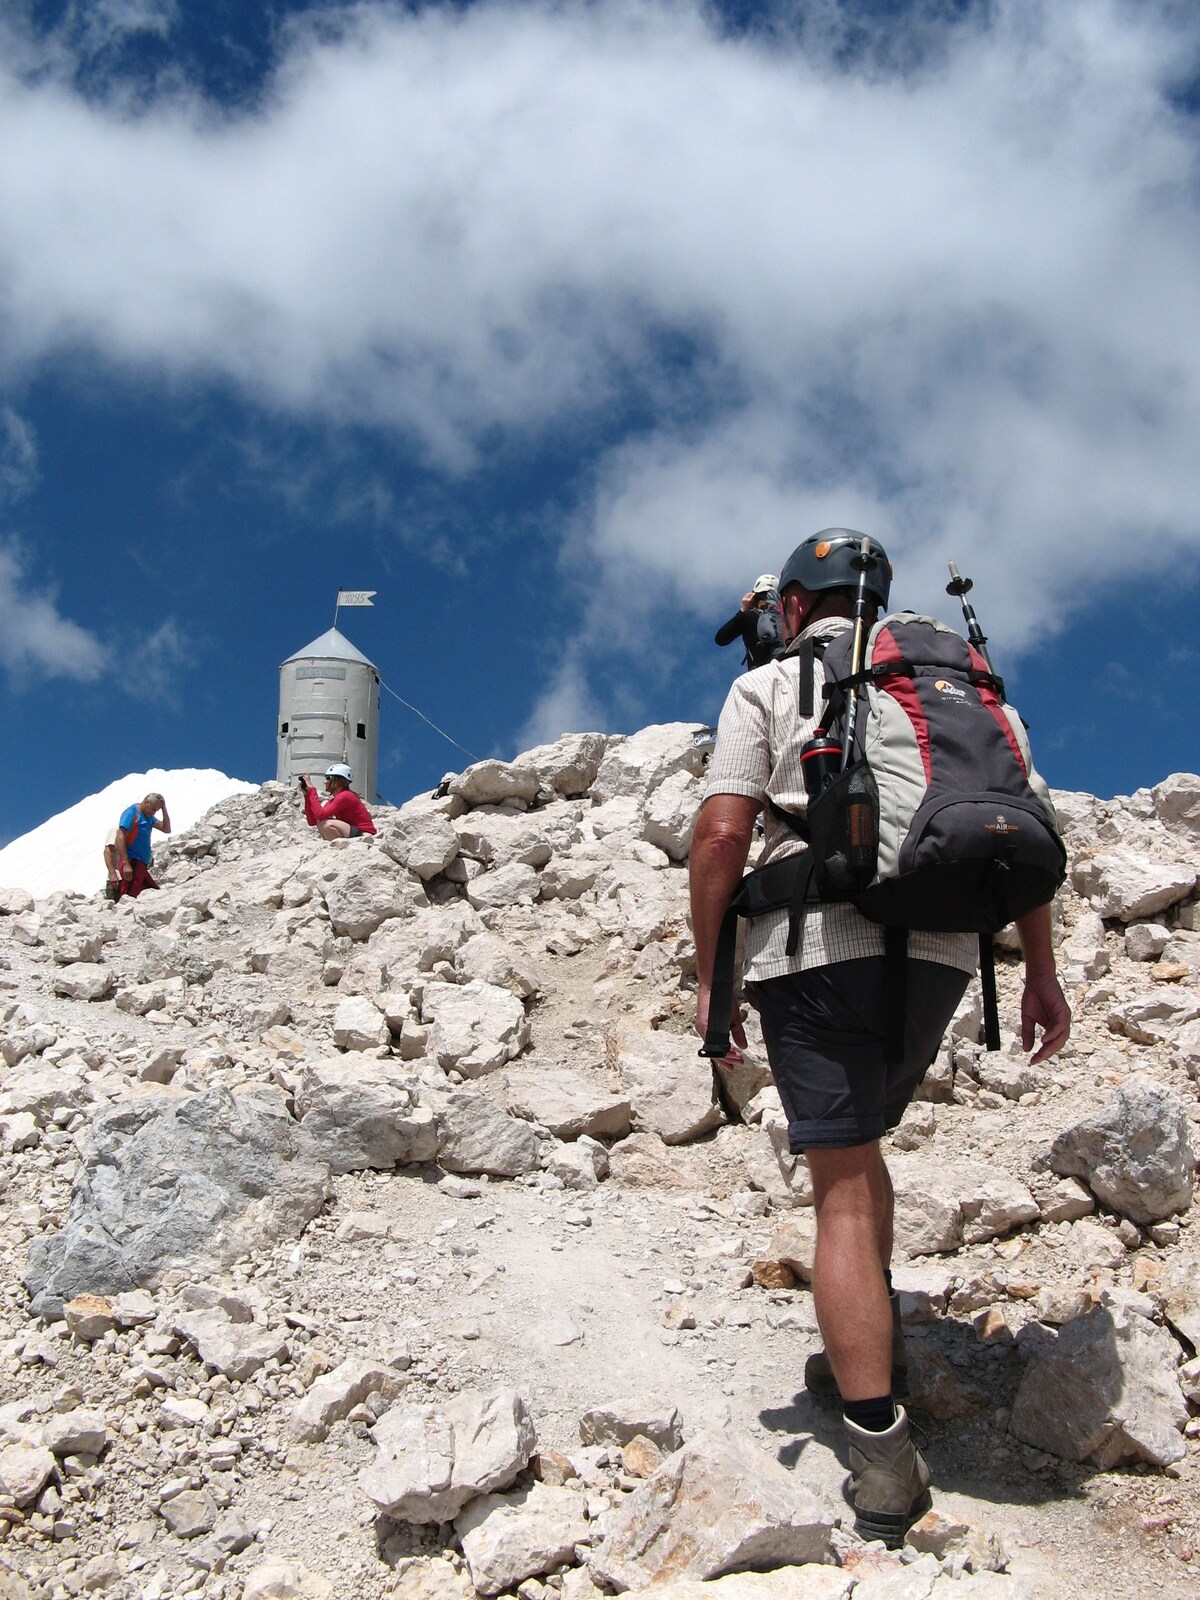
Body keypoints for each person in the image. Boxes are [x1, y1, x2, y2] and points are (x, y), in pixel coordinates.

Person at [689, 529, 1070, 1545]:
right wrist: (1040, 970)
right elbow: (1014, 826)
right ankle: (872, 1349)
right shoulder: (963, 690)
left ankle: (881, 1454)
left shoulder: (772, 684)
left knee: (841, 1187)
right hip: (945, 955)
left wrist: (711, 980)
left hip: (817, 947)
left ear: (800, 603)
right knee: (864, 1157)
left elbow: (723, 834)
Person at [714, 574, 783, 670]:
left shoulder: (748, 617)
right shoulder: (789, 616)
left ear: (754, 595)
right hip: (791, 667)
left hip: (761, 673)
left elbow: (720, 639)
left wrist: (743, 609)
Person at [114, 793, 171, 899]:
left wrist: (164, 809)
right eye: (153, 809)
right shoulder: (132, 813)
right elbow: (120, 837)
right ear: (146, 803)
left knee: (153, 894)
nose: (154, 813)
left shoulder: (149, 817)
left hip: (142, 864)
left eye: (156, 810)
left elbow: (166, 829)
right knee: (129, 897)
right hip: (132, 862)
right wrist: (126, 863)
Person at [300, 764, 377, 839]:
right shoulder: (336, 799)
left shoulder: (346, 795)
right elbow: (312, 821)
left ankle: (341, 846)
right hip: (354, 831)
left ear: (338, 780)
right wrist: (307, 795)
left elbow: (320, 815)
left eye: (328, 778)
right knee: (322, 823)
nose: (325, 782)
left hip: (364, 833)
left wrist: (312, 790)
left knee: (325, 824)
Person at [102, 825, 129, 903]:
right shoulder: (116, 830)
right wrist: (112, 874)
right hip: (117, 879)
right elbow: (107, 852)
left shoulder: (135, 831)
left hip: (128, 878)